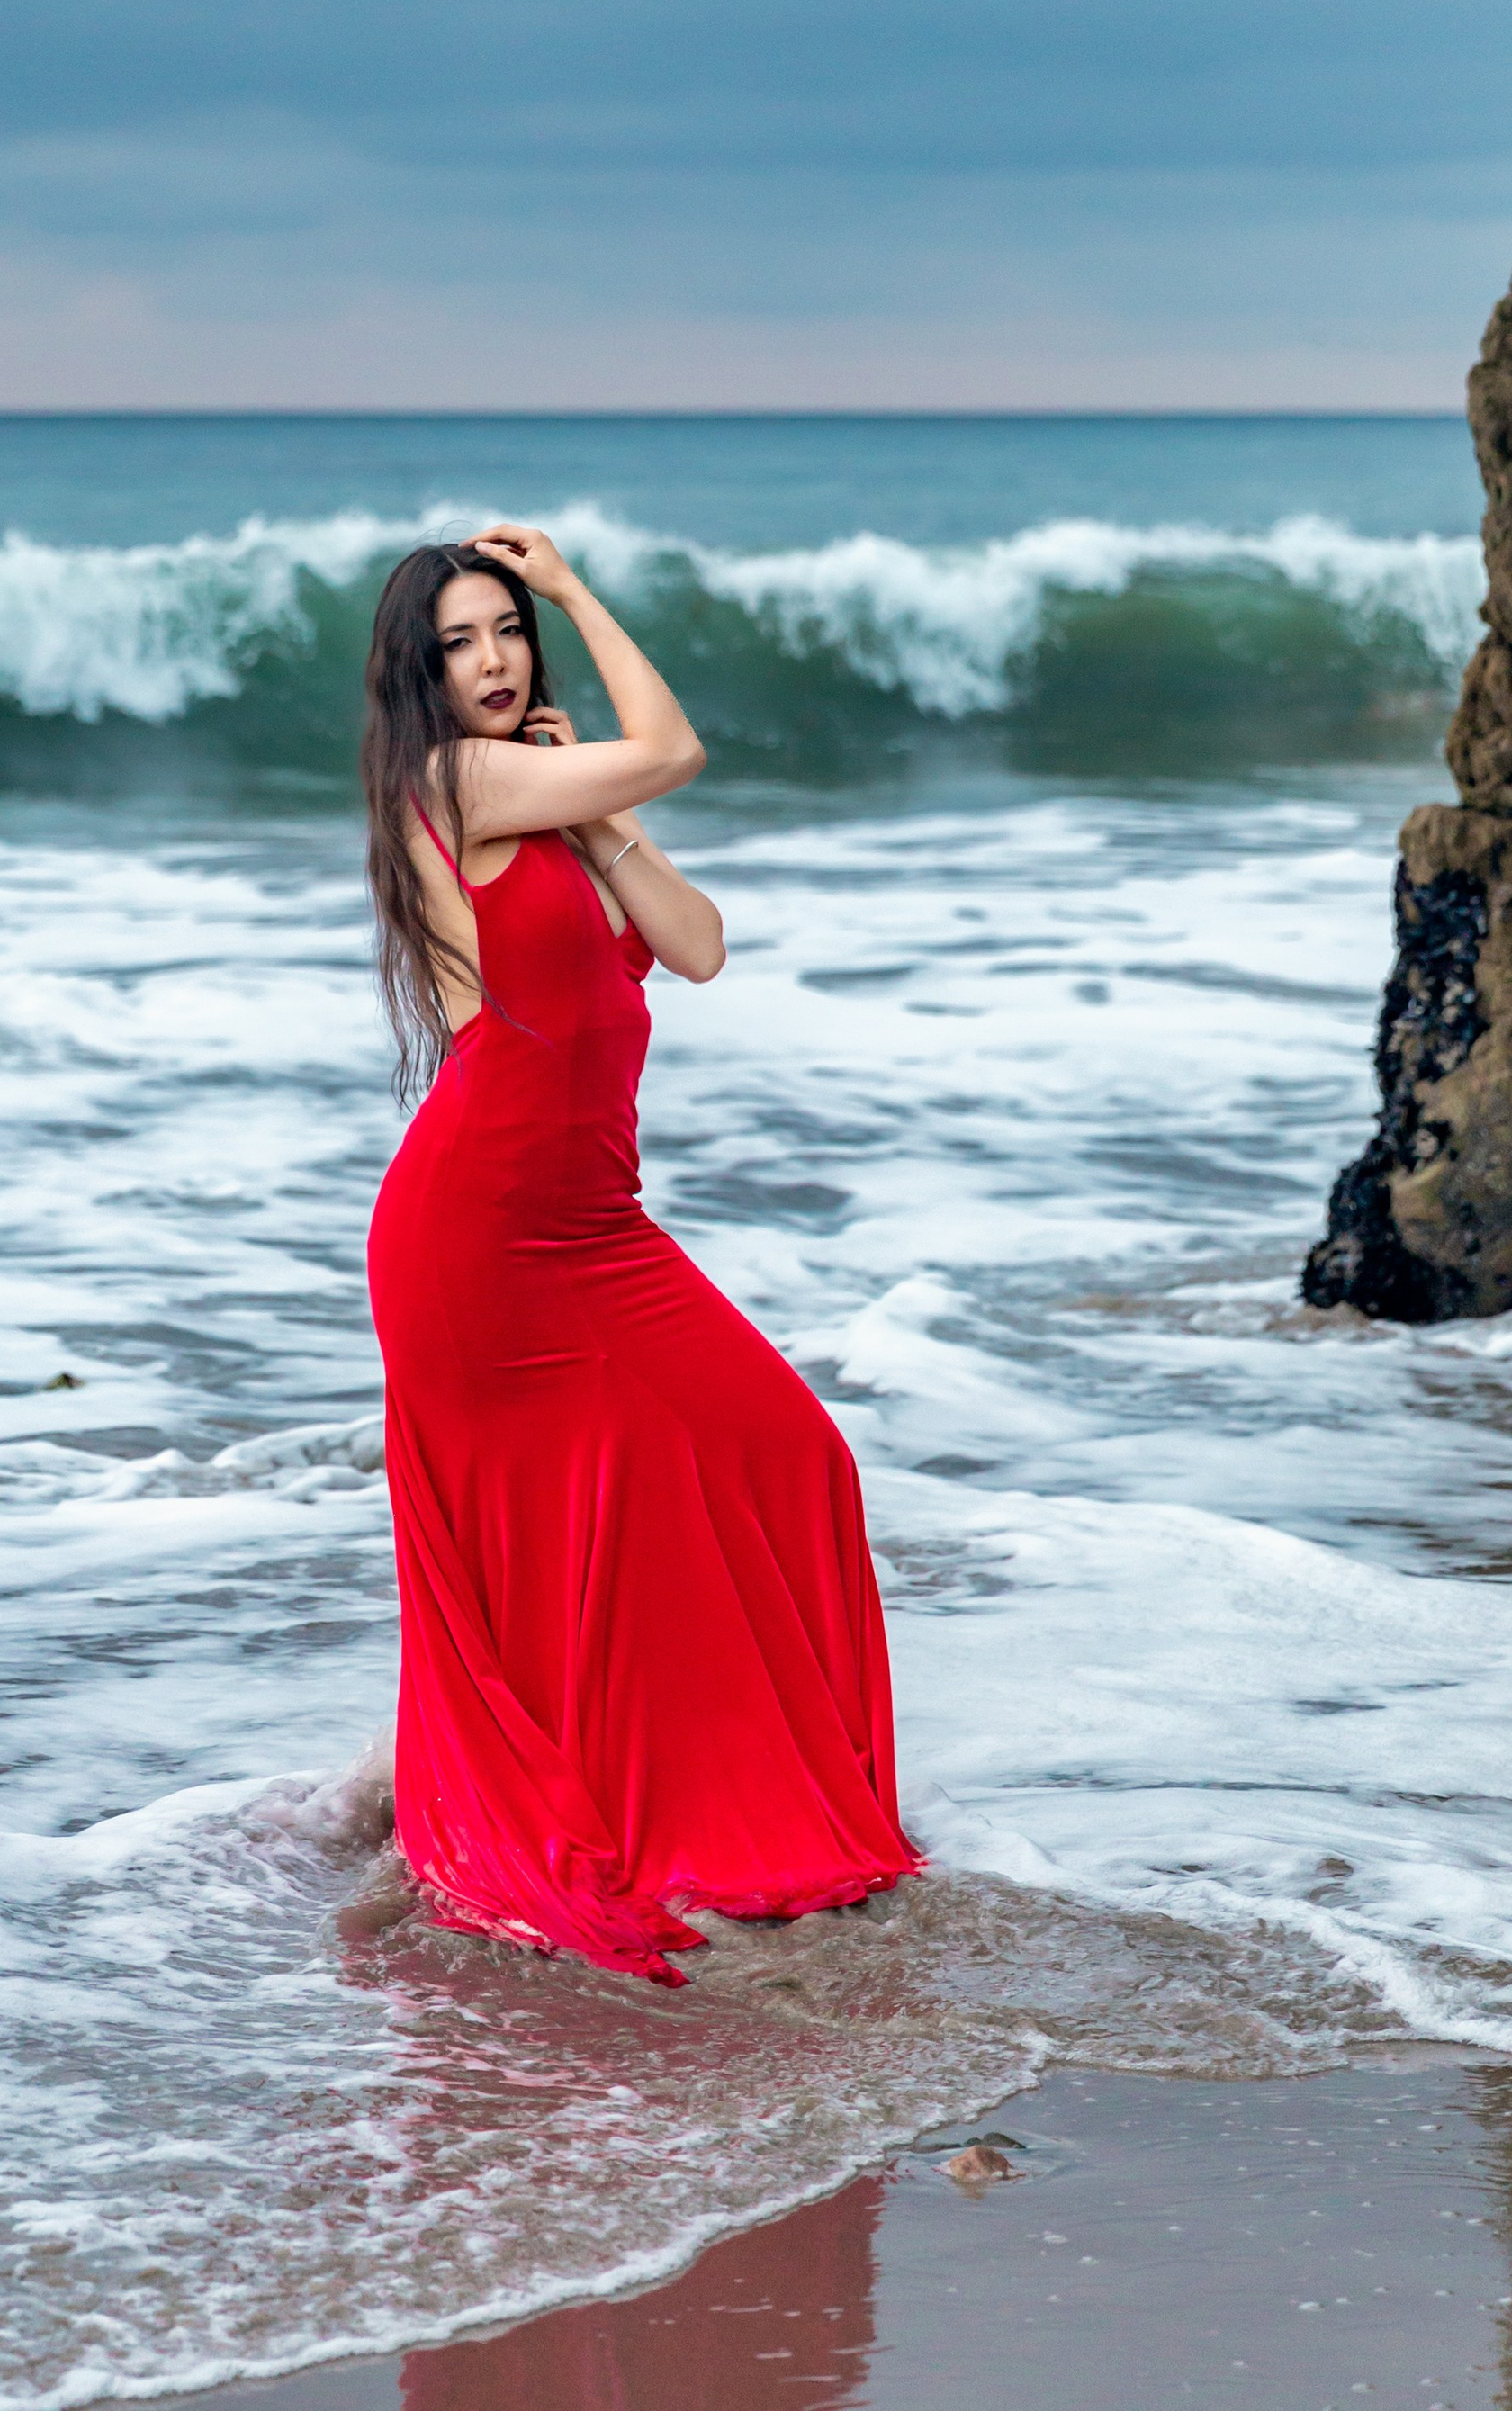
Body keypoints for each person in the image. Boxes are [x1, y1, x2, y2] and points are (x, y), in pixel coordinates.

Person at [361, 521, 917, 1986]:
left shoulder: (545, 805)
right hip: (480, 1235)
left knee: (790, 1460)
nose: (492, 661)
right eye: (459, 643)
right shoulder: (455, 781)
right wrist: (576, 589)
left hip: (597, 1227)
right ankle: (619, 1819)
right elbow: (669, 742)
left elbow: (700, 941)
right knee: (572, 1533)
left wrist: (603, 827)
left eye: (506, 630)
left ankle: (717, 1805)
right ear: (420, 680)